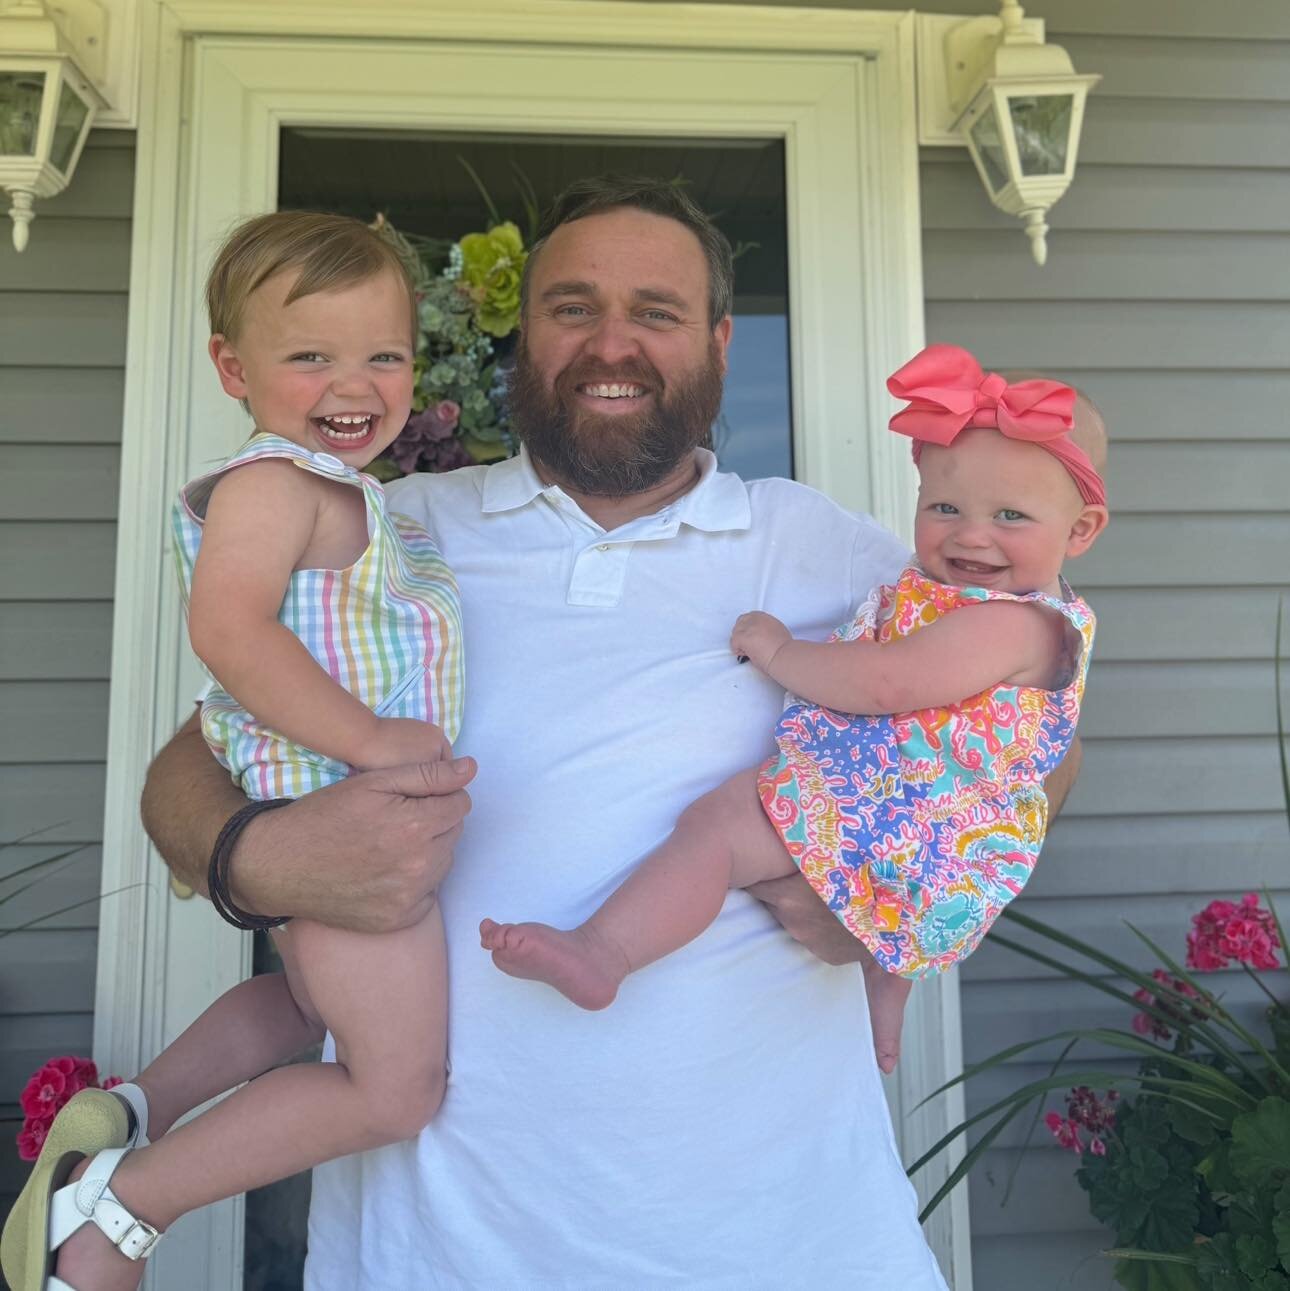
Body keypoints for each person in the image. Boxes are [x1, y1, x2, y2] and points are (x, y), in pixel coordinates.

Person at [137, 176, 1085, 1289]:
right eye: (573, 306)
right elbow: (183, 774)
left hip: (792, 1242)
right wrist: (264, 859)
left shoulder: (826, 549)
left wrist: (886, 894)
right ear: (523, 331)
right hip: (441, 1248)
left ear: (721, 343)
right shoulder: (387, 536)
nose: (612, 343)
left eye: (658, 311)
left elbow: (1036, 736)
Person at [1, 212, 464, 1291]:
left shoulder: (349, 493)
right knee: (396, 1089)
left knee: (304, 1009)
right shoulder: (272, 485)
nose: (354, 382)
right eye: (310, 355)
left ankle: (123, 1111)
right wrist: (368, 738)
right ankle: (116, 1214)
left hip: (345, 820)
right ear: (231, 366)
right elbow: (228, 629)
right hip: (346, 822)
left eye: (383, 354)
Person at [479, 342, 1108, 1076]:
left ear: (1081, 531)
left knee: (718, 825)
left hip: (892, 811)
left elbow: (887, 685)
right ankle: (884, 999)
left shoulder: (1010, 621)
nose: (971, 534)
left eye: (1010, 515)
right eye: (944, 507)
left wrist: (780, 653)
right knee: (880, 920)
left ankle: (605, 949)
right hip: (925, 834)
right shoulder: (967, 594)